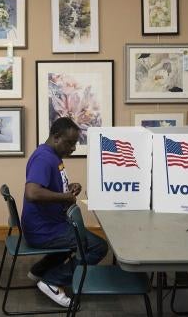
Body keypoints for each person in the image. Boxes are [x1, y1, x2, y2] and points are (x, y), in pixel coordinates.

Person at [21, 117, 108, 307]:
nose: (74, 148)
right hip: (43, 231)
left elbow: (49, 188)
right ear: (56, 137)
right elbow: (32, 193)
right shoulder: (44, 158)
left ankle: (39, 271)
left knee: (77, 241)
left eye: (75, 143)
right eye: (70, 143)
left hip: (50, 224)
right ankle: (52, 281)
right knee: (97, 247)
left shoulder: (52, 156)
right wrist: (65, 198)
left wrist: (68, 188)